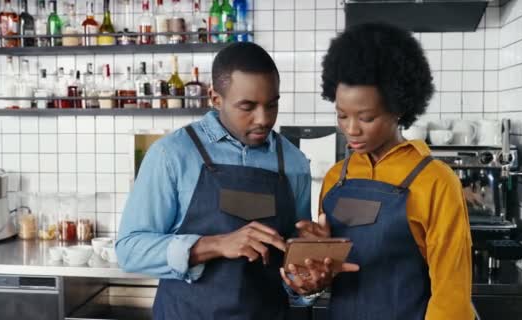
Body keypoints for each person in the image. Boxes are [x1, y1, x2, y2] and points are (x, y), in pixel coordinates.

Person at [288, 23, 474, 319]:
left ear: (398, 108)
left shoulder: (435, 180)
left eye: (366, 117)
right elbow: (330, 275)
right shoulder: (338, 177)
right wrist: (316, 264)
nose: (351, 129)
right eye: (341, 115)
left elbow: (452, 294)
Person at [115, 42, 312, 320]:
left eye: (272, 105)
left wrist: (307, 277)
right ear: (215, 98)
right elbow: (129, 250)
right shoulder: (172, 154)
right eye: (247, 106)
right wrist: (216, 244)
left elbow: (294, 260)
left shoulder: (293, 162)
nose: (263, 119)